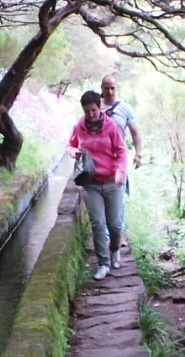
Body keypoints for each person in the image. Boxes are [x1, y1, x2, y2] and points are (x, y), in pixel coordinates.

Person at [68, 91, 128, 281]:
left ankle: (115, 250)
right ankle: (103, 263)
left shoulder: (111, 126)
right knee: (98, 224)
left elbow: (121, 151)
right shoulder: (79, 126)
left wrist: (120, 172)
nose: (91, 115)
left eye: (93, 110)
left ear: (99, 107)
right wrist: (75, 152)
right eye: (87, 112)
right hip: (91, 183)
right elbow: (69, 146)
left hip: (112, 182)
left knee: (115, 225)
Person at [100, 75, 140, 249]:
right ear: (101, 88)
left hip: (119, 161)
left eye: (112, 88)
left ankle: (118, 234)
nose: (109, 91)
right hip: (99, 161)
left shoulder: (125, 109)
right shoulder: (95, 107)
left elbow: (135, 133)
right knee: (102, 201)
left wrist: (138, 154)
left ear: (117, 88)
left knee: (118, 199)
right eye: (106, 87)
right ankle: (107, 236)